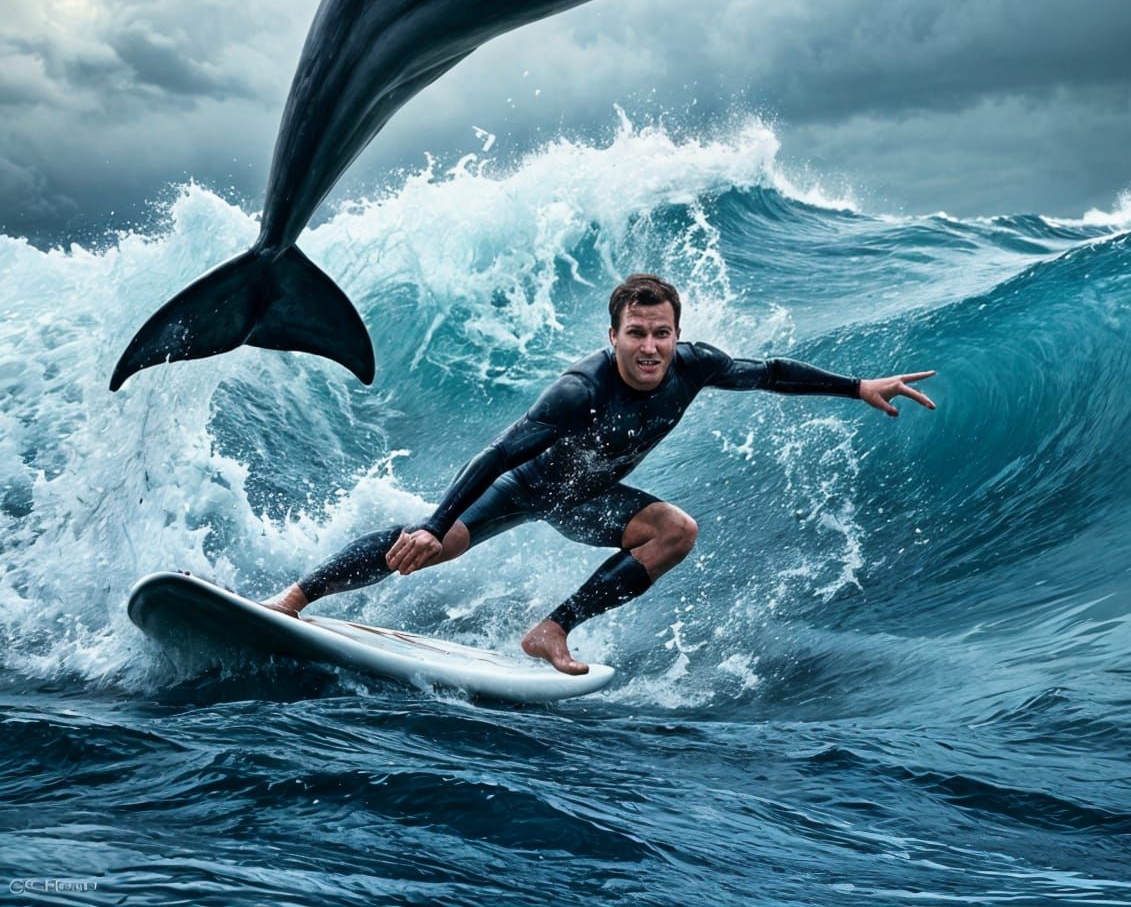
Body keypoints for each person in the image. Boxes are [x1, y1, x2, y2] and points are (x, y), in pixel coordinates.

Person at [262, 273, 936, 673]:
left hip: (593, 500)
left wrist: (856, 387)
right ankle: (295, 597)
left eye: (662, 333)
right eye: (637, 332)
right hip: (526, 487)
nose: (651, 347)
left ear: (677, 334)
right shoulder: (577, 391)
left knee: (676, 531)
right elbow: (498, 455)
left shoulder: (695, 365)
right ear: (613, 335)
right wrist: (437, 523)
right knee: (428, 544)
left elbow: (771, 374)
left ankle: (551, 630)